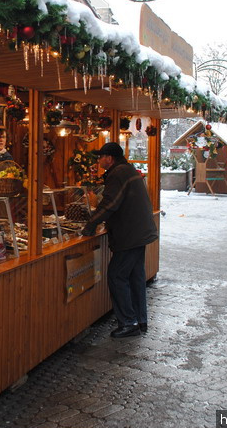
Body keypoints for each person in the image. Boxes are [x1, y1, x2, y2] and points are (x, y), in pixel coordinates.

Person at [80, 142, 158, 338]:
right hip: (138, 232)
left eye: (101, 157)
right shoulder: (127, 169)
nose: (99, 161)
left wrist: (90, 225)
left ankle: (128, 322)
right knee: (135, 277)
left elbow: (110, 204)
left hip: (130, 234)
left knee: (116, 275)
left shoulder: (118, 173)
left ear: (109, 158)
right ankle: (140, 320)